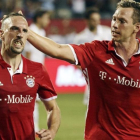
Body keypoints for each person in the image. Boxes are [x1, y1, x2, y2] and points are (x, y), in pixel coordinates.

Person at [21, 0, 140, 139]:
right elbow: (57, 49)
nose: (114, 25)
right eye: (114, 19)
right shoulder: (96, 51)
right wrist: (25, 30)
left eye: (122, 21)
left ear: (136, 27)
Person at [0, 12, 60, 140]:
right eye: (14, 29)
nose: (20, 34)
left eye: (24, 31)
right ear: (1, 34)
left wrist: (52, 131)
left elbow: (53, 108)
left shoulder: (37, 70)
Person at [74, 8, 111, 106]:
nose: (97, 22)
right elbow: (76, 59)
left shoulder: (108, 33)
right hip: (93, 76)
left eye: (98, 20)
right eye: (94, 20)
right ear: (87, 21)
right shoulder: (80, 38)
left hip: (109, 74)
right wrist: (86, 71)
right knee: (91, 105)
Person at [24, 9, 50, 133]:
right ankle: (32, 128)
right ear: (39, 18)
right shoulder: (31, 30)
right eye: (46, 18)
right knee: (32, 101)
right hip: (31, 72)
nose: (48, 21)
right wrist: (29, 73)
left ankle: (34, 127)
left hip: (38, 71)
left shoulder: (42, 31)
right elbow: (28, 52)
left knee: (37, 102)